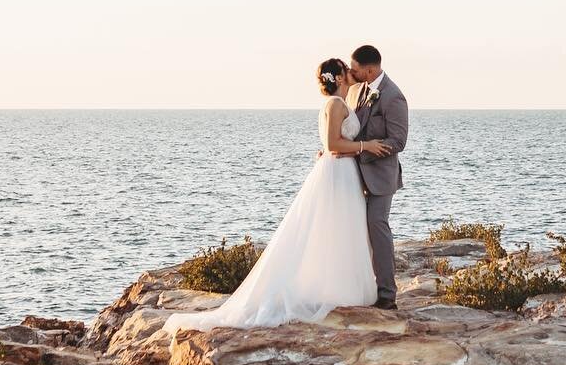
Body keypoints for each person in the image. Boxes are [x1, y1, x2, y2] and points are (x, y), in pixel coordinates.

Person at [162, 57, 389, 330]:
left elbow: (334, 143)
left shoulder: (339, 102)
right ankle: (339, 288)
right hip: (338, 172)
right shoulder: (336, 104)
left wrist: (347, 147)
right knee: (337, 228)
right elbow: (332, 144)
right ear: (339, 78)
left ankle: (339, 285)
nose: (351, 72)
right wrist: (367, 145)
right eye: (346, 69)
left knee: (339, 229)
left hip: (342, 171)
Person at [346, 44, 409, 309]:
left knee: (377, 227)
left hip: (380, 176)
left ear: (370, 70)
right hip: (351, 173)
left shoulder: (393, 96)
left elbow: (399, 140)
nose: (351, 72)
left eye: (355, 68)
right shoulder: (354, 91)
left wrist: (366, 151)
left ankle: (387, 293)